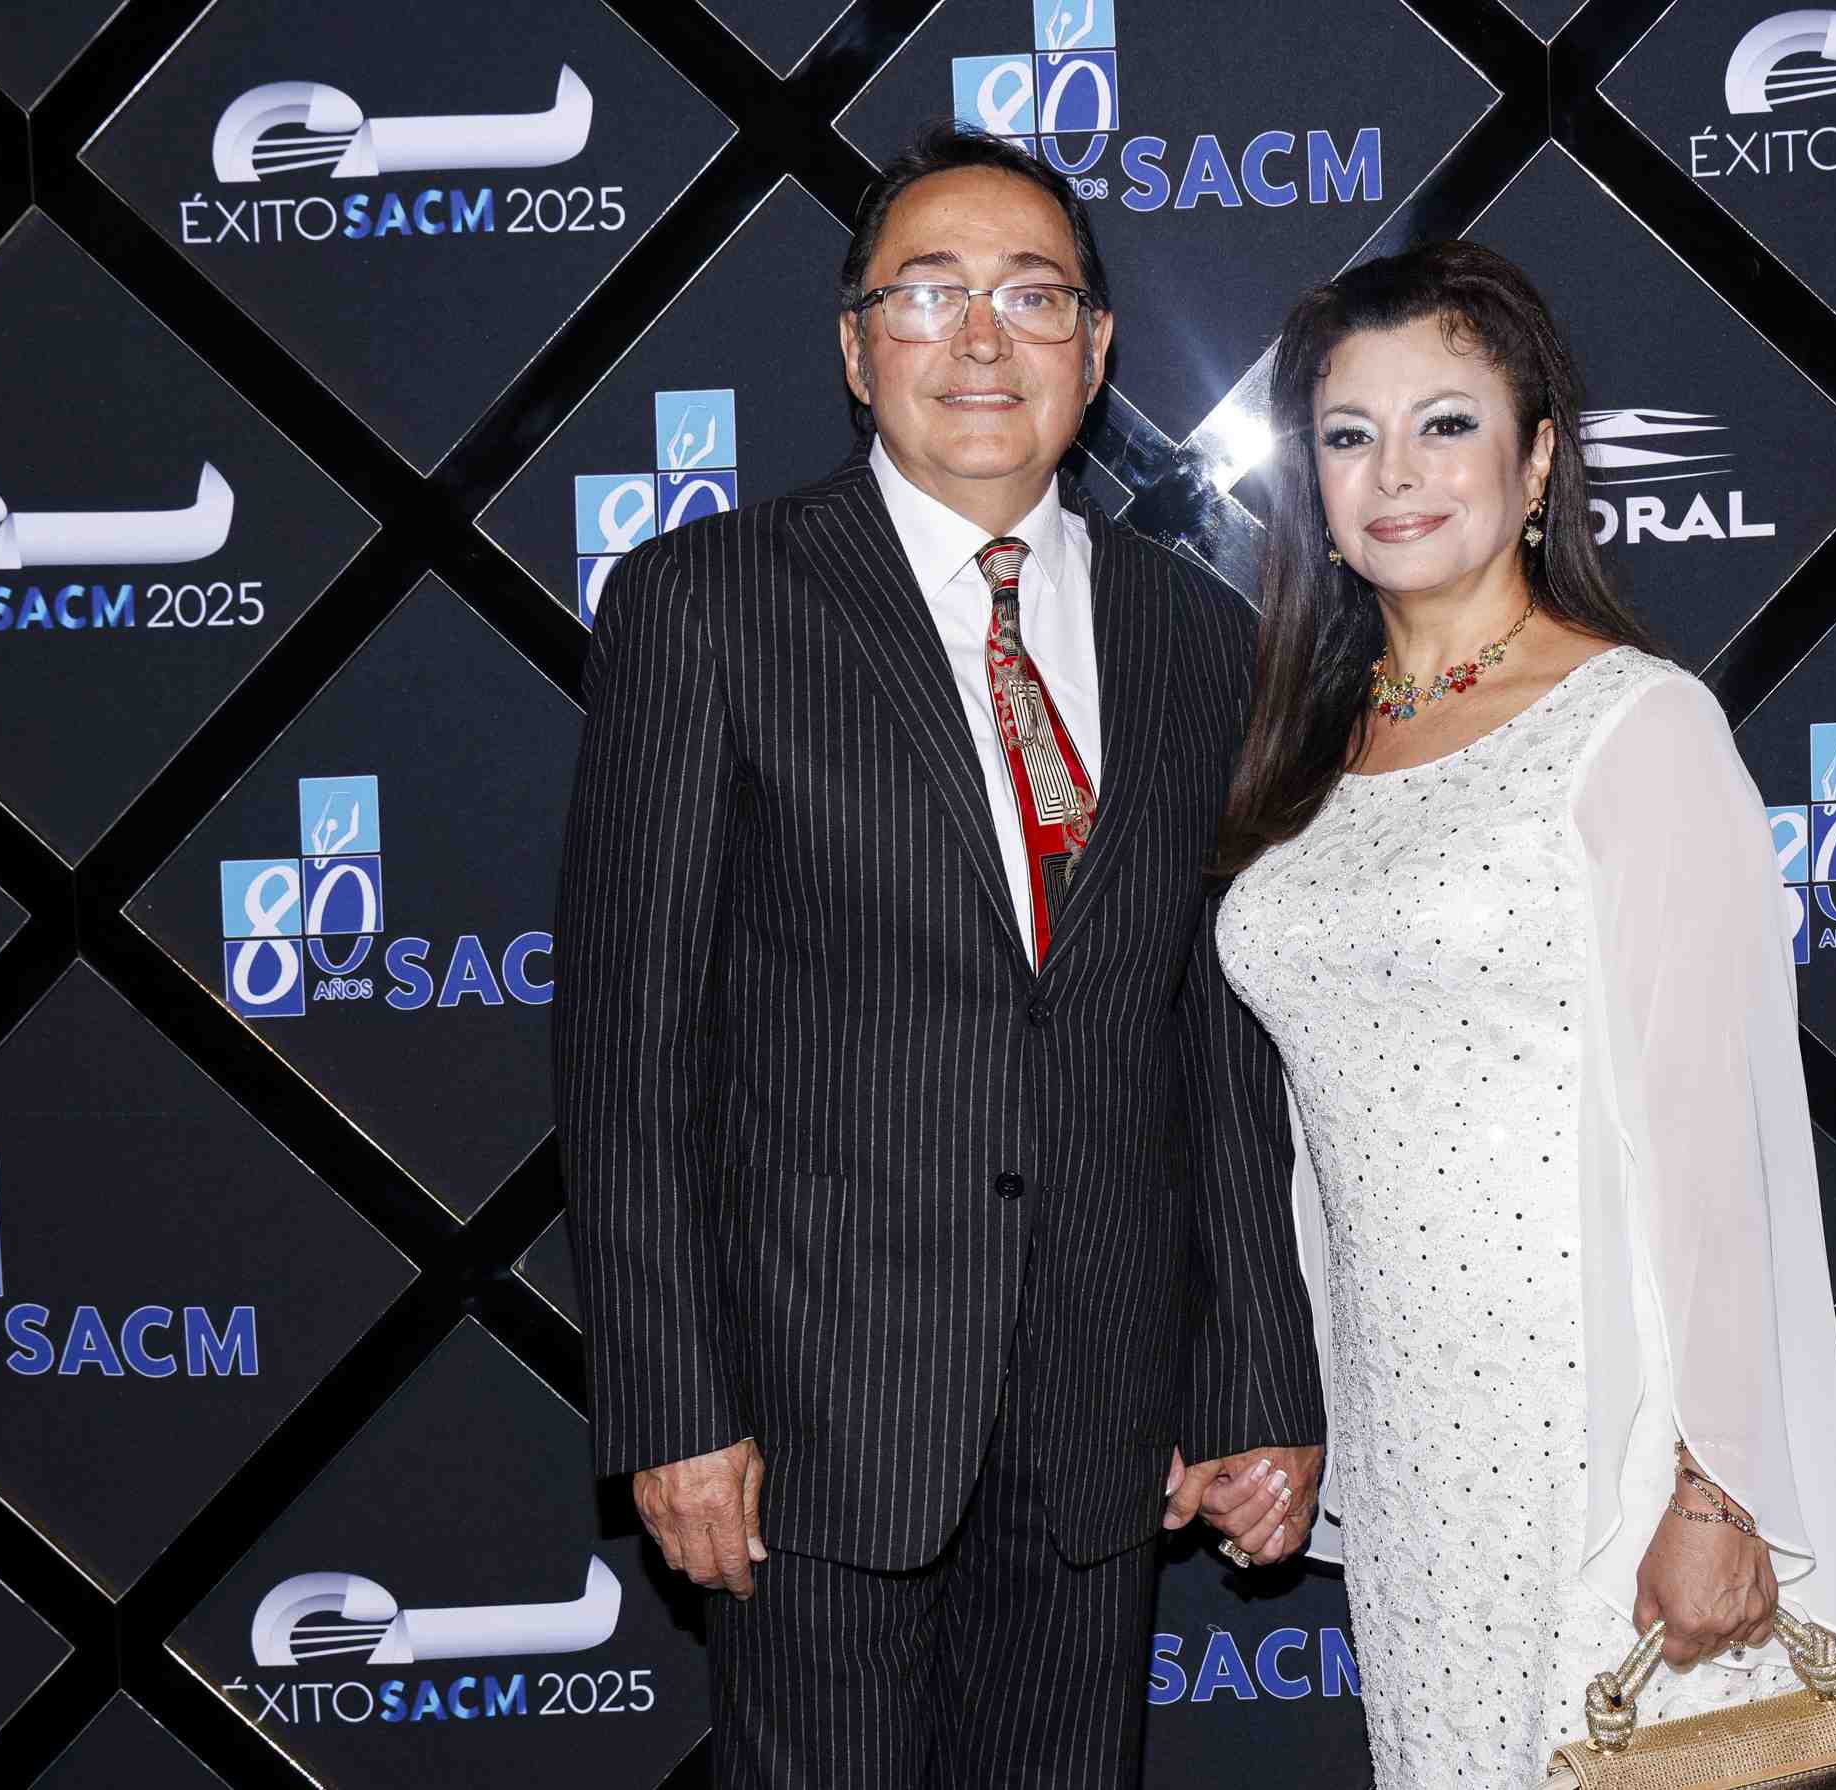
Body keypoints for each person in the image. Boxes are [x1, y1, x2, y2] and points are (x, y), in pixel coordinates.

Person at [549, 122, 1327, 1786]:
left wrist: (1258, 1375)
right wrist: (674, 1407)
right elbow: (627, 1049)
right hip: (810, 1425)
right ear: (856, 347)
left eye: (1033, 297)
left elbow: (1217, 1039)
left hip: (1103, 1423)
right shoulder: (708, 603)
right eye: (929, 293)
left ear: (1095, 352)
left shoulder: (1198, 632)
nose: (982, 339)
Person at [1210, 240, 1836, 1784]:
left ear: (1536, 464)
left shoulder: (1637, 724)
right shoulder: (1305, 748)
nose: (1396, 471)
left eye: (1447, 423)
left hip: (1601, 1433)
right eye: (1350, 433)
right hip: (1407, 1438)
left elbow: (1715, 1143)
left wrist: (1717, 1488)